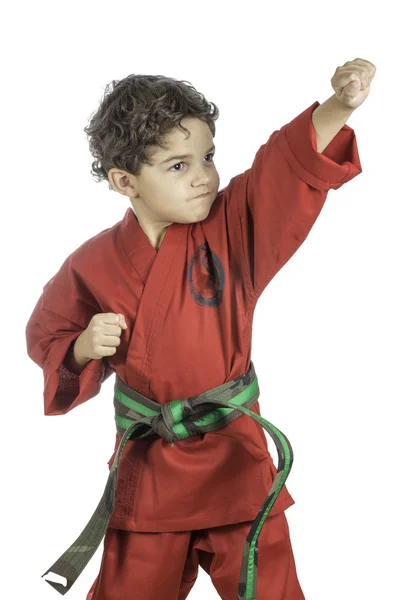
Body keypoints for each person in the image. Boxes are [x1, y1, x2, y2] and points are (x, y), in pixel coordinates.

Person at [26, 60, 371, 598]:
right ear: (125, 182)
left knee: (267, 587)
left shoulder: (232, 230)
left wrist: (339, 107)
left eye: (207, 157)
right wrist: (80, 347)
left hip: (235, 458)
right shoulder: (92, 264)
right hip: (150, 467)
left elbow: (279, 170)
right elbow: (47, 338)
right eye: (178, 166)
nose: (205, 176)